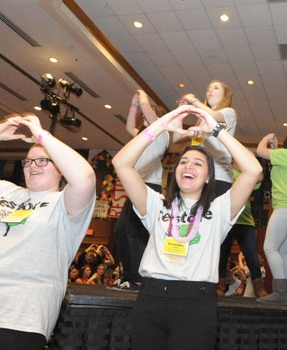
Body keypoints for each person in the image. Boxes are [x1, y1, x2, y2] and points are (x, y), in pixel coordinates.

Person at [112, 103, 261, 350]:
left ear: (209, 177)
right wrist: (160, 126)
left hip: (196, 302)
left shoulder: (221, 209)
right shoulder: (156, 204)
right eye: (183, 162)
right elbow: (122, 164)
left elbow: (253, 170)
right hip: (151, 297)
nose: (188, 166)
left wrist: (216, 131)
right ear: (175, 171)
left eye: (198, 164)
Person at [0, 114, 96, 349]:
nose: (33, 166)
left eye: (43, 160)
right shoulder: (4, 193)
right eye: (28, 161)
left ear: (60, 168)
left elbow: (85, 177)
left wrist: (42, 136)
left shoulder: (66, 204)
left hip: (21, 316)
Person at [178, 80, 239, 295]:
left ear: (225, 95)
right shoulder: (202, 122)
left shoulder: (228, 113)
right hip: (202, 181)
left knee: (219, 234)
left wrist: (194, 102)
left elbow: (212, 117)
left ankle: (219, 280)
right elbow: (176, 137)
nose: (209, 90)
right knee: (196, 229)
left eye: (215, 88)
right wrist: (181, 112)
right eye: (208, 88)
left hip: (221, 180)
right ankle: (194, 274)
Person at [111, 90, 169, 292]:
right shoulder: (143, 137)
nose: (145, 116)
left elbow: (149, 111)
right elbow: (129, 126)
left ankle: (139, 278)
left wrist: (143, 96)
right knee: (120, 231)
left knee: (133, 232)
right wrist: (133, 105)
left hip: (149, 187)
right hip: (136, 185)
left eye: (150, 114)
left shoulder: (162, 134)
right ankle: (128, 275)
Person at [256, 132, 287, 305]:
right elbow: (276, 163)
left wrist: (266, 139)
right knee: (282, 251)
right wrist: (275, 149)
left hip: (285, 207)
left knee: (269, 248)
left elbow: (260, 151)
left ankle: (279, 292)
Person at [218, 163, 267, 298]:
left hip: (245, 221)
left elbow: (260, 178)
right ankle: (220, 287)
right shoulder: (227, 172)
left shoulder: (248, 175)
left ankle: (259, 290)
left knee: (251, 255)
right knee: (222, 254)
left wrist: (252, 167)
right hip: (227, 219)